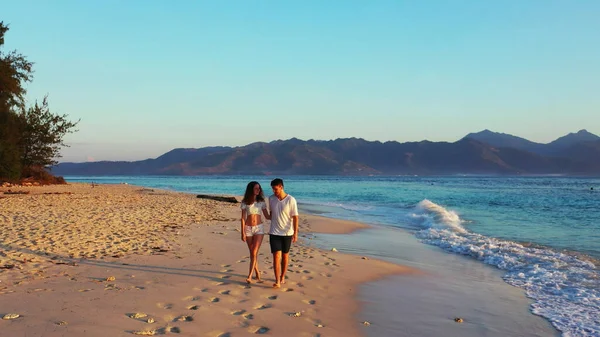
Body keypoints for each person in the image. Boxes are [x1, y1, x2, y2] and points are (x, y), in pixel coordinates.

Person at [268, 178, 299, 288]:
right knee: (276, 256)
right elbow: (271, 215)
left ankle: (282, 276)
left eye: (275, 189)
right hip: (274, 232)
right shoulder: (271, 199)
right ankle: (277, 281)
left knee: (285, 256)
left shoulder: (291, 200)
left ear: (281, 187)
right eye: (272, 189)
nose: (274, 191)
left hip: (287, 233)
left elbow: (295, 218)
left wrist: (295, 233)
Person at [240, 181, 270, 284]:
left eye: (259, 188)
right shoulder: (245, 202)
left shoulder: (261, 201)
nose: (258, 190)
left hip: (259, 229)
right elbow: (243, 218)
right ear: (251, 189)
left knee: (254, 252)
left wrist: (278, 212)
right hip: (248, 228)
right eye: (256, 188)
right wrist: (242, 232)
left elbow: (267, 216)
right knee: (252, 253)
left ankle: (249, 276)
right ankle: (257, 271)